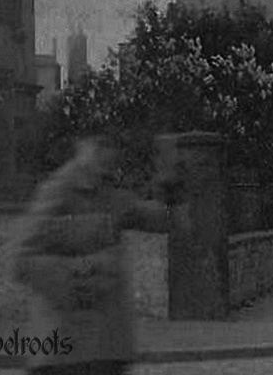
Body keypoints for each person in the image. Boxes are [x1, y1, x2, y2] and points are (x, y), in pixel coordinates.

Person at [14, 135, 178, 375]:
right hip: (64, 350)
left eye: (112, 145)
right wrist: (92, 273)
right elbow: (23, 260)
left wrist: (169, 184)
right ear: (82, 146)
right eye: (101, 144)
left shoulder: (110, 194)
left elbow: (162, 218)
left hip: (107, 350)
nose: (109, 153)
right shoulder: (57, 190)